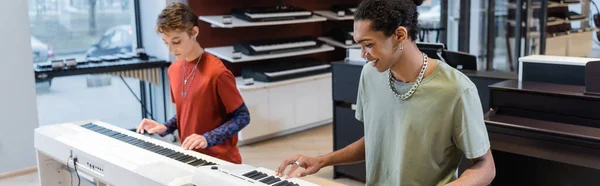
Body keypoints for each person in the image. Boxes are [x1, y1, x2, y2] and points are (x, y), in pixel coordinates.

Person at [276, 0, 496, 185]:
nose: (363, 54)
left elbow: (486, 167)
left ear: (400, 35)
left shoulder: (457, 89)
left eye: (368, 45)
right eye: (359, 45)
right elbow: (377, 140)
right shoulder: (370, 75)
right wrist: (321, 161)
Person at [135, 2, 250, 164]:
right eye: (165, 42)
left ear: (194, 32)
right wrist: (166, 127)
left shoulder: (218, 72)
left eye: (176, 41)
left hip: (221, 161)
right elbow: (187, 111)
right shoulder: (173, 70)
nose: (171, 49)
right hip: (189, 156)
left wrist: (207, 138)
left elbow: (242, 117)